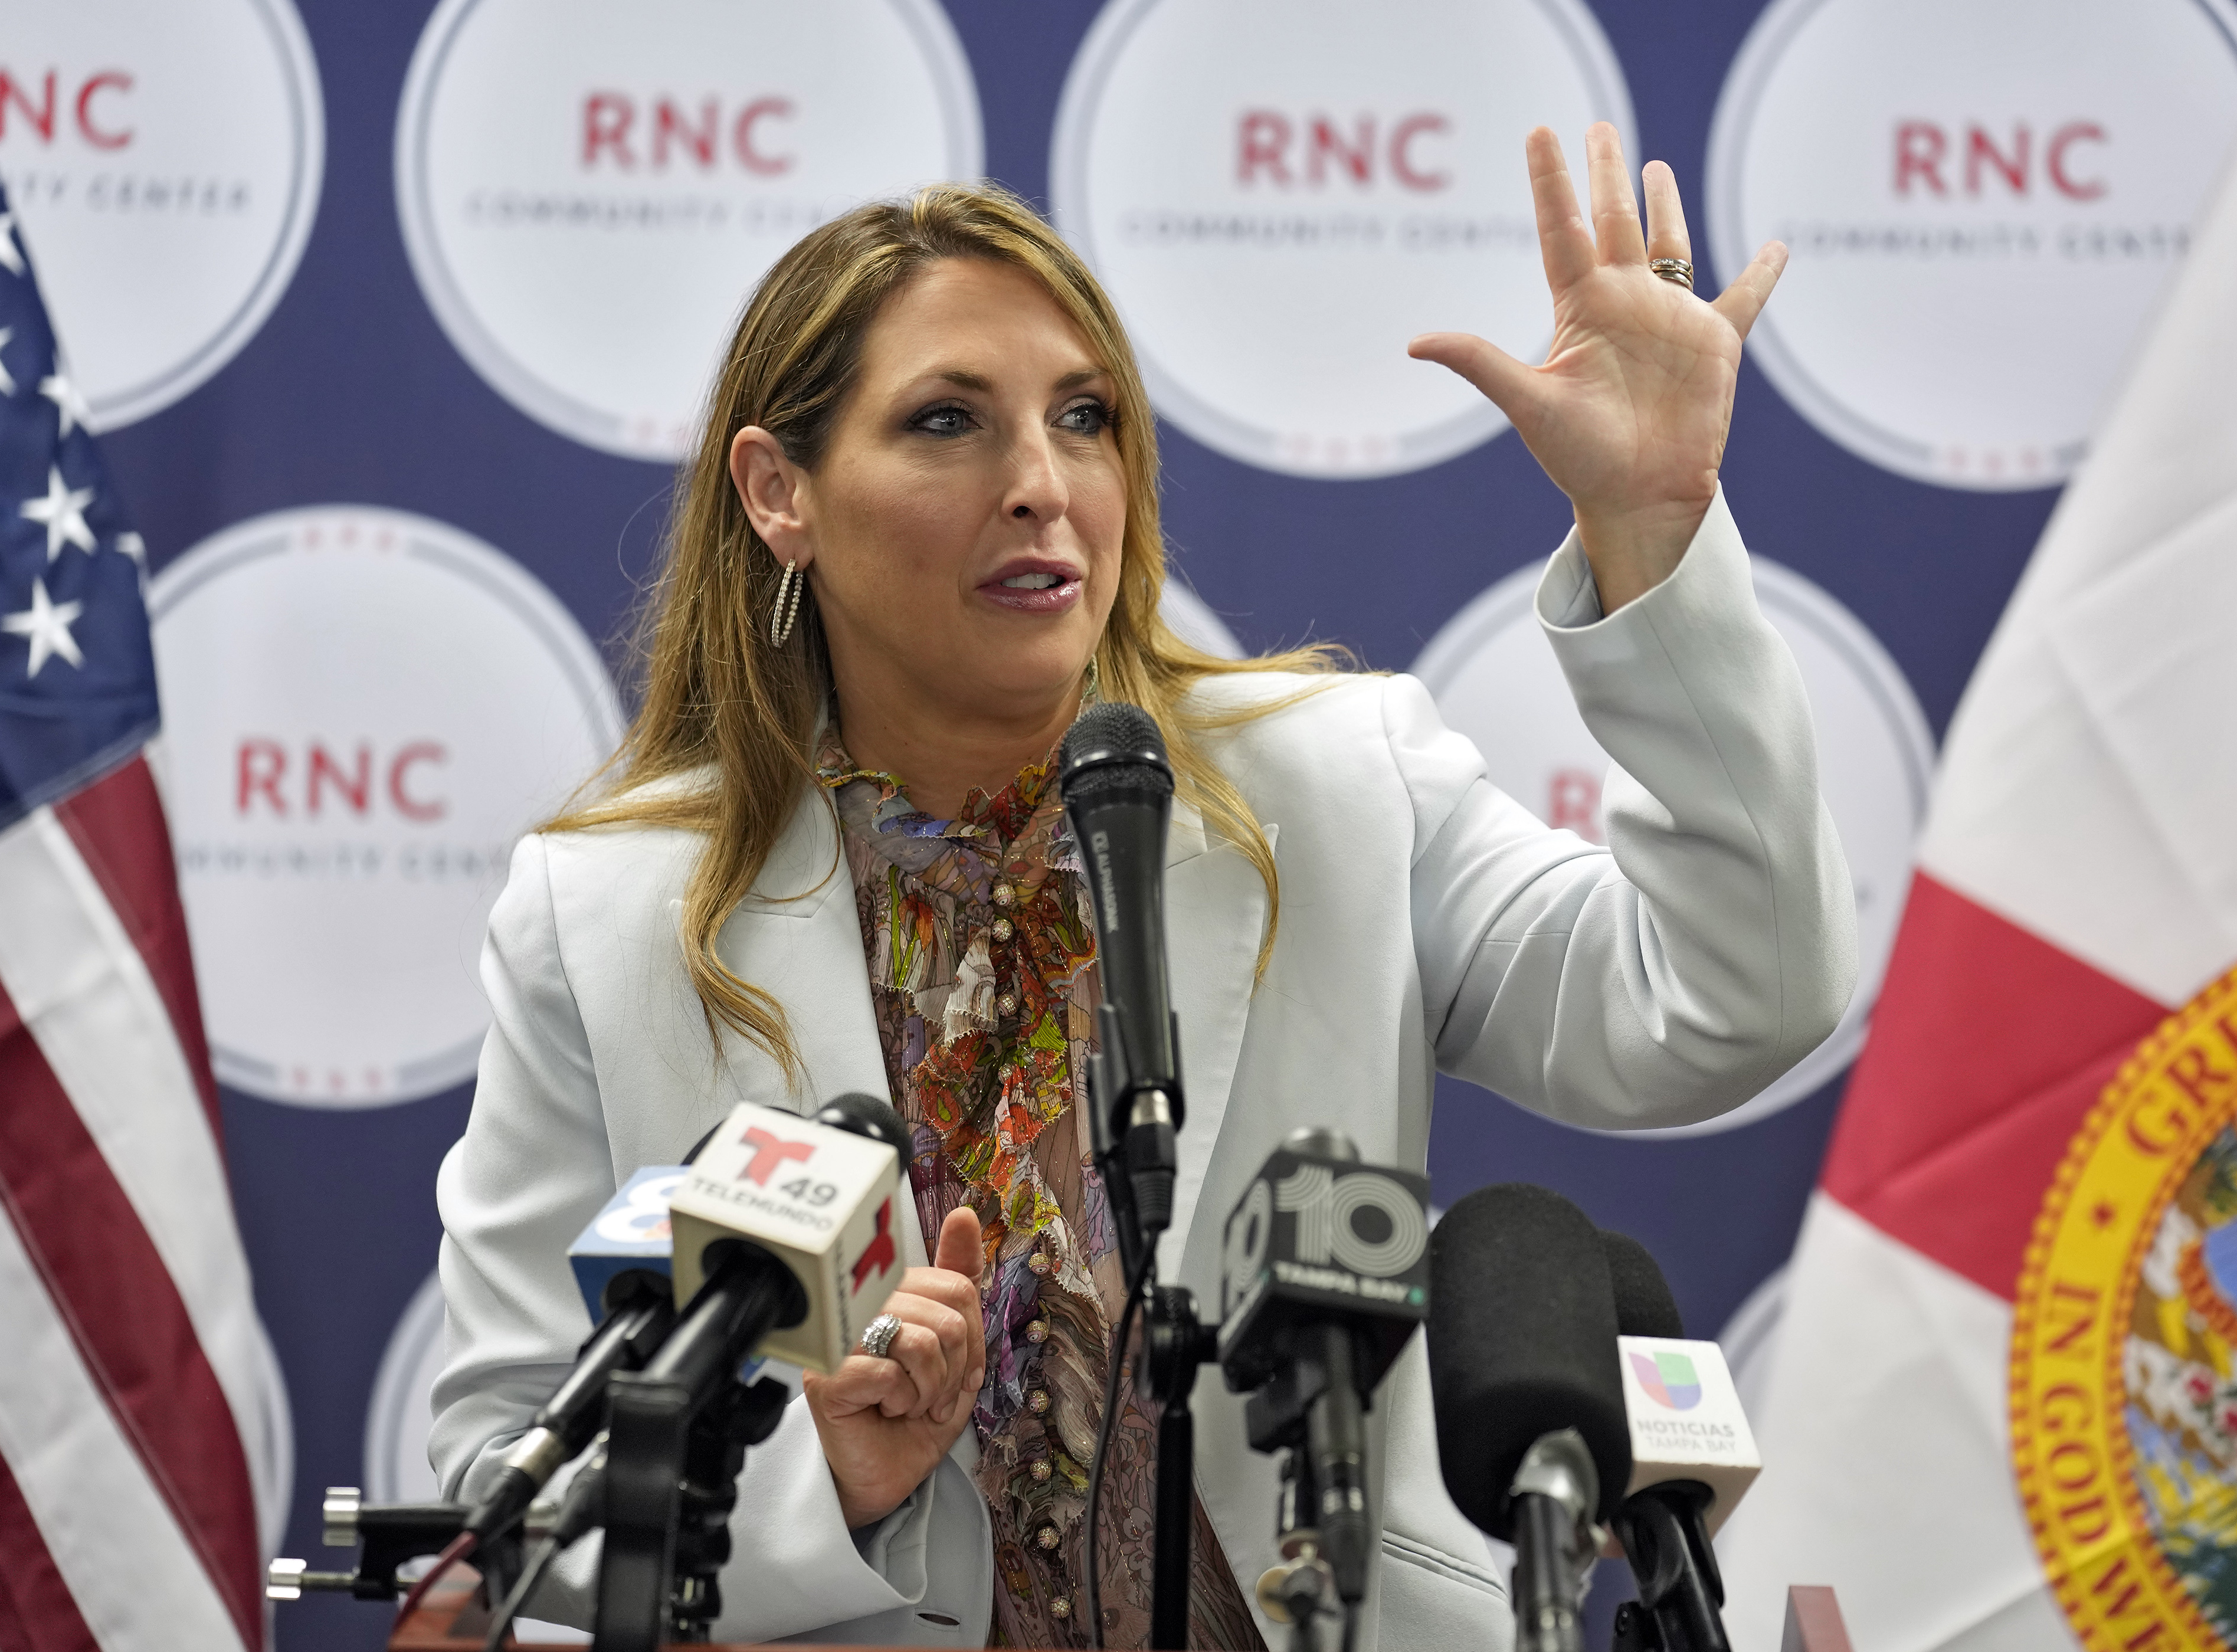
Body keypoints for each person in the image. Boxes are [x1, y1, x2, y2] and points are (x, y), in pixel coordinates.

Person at [431, 123, 1855, 1648]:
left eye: (1086, 417)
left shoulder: (1335, 784)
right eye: (947, 423)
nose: (1043, 485)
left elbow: (1733, 999)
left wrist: (1653, 542)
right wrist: (827, 1490)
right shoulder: (607, 916)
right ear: (780, 492)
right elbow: (501, 1471)